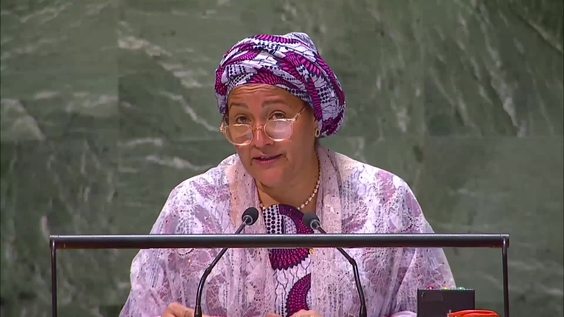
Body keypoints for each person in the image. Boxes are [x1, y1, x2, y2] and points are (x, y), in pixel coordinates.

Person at [119, 32, 455, 317]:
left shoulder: (384, 200)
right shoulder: (192, 207)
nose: (259, 139)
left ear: (315, 118)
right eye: (241, 120)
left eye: (277, 115)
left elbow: (442, 312)